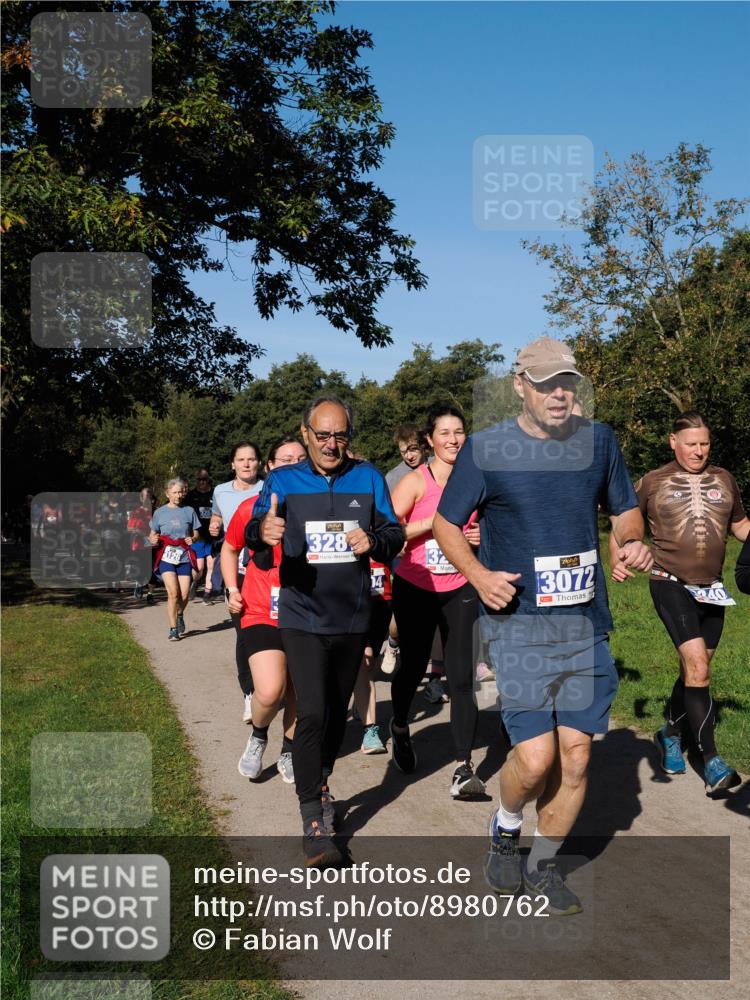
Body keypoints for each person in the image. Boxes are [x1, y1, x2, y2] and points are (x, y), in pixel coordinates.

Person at [433, 336, 652, 915]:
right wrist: (479, 576)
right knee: (534, 760)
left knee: (576, 757)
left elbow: (625, 509)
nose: (559, 393)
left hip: (584, 624)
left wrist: (632, 540)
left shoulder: (599, 442)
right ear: (520, 386)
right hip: (520, 626)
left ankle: (543, 864)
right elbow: (446, 524)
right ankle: (506, 826)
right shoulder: (486, 450)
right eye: (547, 383)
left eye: (567, 383)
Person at [246, 395, 403, 868]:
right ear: (306, 433)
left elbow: (394, 534)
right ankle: (313, 821)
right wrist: (262, 533)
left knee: (336, 715)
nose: (331, 444)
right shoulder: (283, 481)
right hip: (301, 616)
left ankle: (321, 780)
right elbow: (255, 532)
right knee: (312, 712)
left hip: (352, 617)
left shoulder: (368, 477)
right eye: (322, 435)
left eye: (340, 435)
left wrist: (373, 540)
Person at [622, 412, 748, 794]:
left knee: (696, 672)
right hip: (670, 582)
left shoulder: (724, 479)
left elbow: (741, 526)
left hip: (713, 589)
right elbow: (625, 519)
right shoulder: (653, 480)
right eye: (691, 443)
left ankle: (670, 733)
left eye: (705, 443)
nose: (699, 451)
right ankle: (712, 761)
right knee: (698, 667)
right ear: (673, 441)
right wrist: (621, 554)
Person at [388, 404, 485, 798]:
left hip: (461, 584)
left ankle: (463, 766)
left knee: (462, 677)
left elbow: (493, 523)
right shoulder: (415, 481)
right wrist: (436, 522)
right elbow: (389, 532)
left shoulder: (477, 480)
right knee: (412, 666)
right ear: (430, 439)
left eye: (459, 432)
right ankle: (399, 725)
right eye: (444, 433)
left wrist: (480, 536)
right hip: (416, 584)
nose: (453, 440)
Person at [223, 436, 308, 783]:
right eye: (286, 460)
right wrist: (232, 589)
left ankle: (289, 750)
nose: (295, 465)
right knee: (271, 690)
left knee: (300, 692)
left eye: (301, 459)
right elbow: (229, 548)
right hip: (260, 609)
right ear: (270, 466)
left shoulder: (320, 508)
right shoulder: (250, 509)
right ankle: (259, 735)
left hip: (306, 610)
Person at [210, 442, 264, 721]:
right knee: (244, 631)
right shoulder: (220, 491)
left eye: (251, 459)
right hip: (236, 567)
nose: (246, 464)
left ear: (259, 463)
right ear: (232, 464)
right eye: (241, 460)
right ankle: (249, 692)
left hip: (266, 568)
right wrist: (215, 524)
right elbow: (218, 514)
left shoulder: (268, 488)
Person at [149, 478, 200, 641]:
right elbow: (152, 533)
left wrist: (193, 538)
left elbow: (196, 532)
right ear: (167, 494)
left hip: (184, 557)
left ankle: (179, 614)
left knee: (184, 595)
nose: (178, 495)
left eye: (180, 492)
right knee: (173, 593)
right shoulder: (159, 512)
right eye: (175, 492)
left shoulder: (189, 511)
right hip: (166, 557)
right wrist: (152, 539)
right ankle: (173, 629)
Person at [185, 469, 215, 602]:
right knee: (200, 567)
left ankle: (207, 594)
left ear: (208, 480)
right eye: (199, 479)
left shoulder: (215, 494)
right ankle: (195, 582)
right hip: (197, 535)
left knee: (211, 564)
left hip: (213, 536)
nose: (202, 482)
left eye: (204, 479)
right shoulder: (190, 496)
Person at [127, 487, 155, 601]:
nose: (147, 499)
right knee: (141, 569)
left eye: (149, 496)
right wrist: (137, 531)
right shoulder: (136, 512)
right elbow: (129, 528)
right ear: (141, 498)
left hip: (153, 545)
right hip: (139, 545)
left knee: (152, 569)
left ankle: (150, 593)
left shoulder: (156, 512)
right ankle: (139, 584)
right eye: (145, 496)